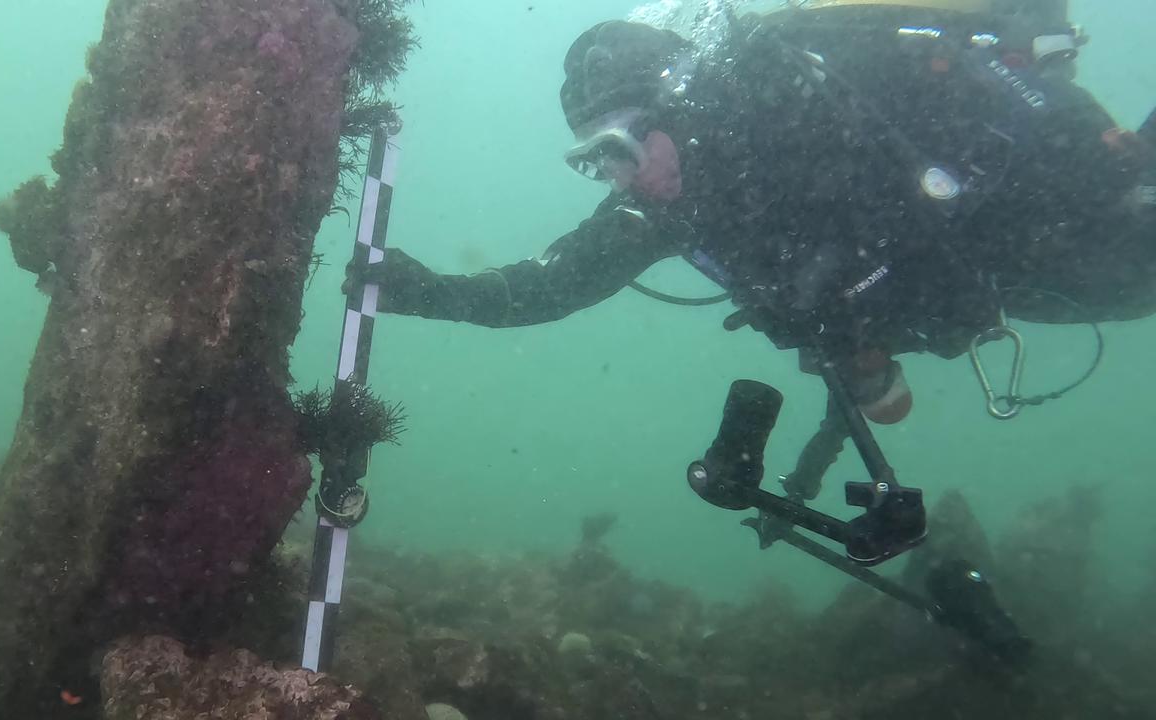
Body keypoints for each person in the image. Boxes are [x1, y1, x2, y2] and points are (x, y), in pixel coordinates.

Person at [348, 0, 1156, 427]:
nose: (617, 180)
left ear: (673, 105)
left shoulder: (805, 97)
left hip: (1061, 205)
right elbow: (554, 285)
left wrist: (1104, 164)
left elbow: (996, 105)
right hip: (1018, 288)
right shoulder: (674, 210)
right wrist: (430, 293)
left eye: (622, 149)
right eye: (595, 161)